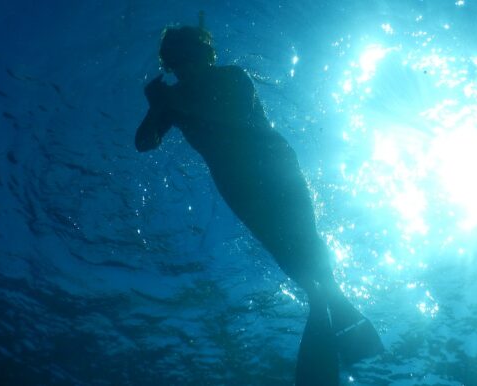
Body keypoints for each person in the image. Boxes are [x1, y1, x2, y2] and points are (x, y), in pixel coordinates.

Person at [135, 15, 383, 385]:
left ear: (206, 56)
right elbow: (144, 143)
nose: (188, 67)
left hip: (275, 169)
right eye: (178, 61)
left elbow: (228, 116)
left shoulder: (230, 77)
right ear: (173, 65)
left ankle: (337, 321)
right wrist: (157, 108)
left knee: (308, 248)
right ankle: (340, 323)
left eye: (192, 57)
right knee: (297, 264)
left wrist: (168, 101)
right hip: (239, 187)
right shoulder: (174, 102)